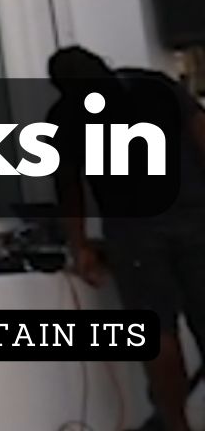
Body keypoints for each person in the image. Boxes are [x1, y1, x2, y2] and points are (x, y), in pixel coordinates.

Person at [50, 46, 205, 431]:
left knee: (158, 334)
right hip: (194, 216)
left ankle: (176, 424)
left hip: (133, 233)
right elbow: (203, 135)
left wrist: (80, 246)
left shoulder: (66, 116)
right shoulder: (154, 86)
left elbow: (70, 190)